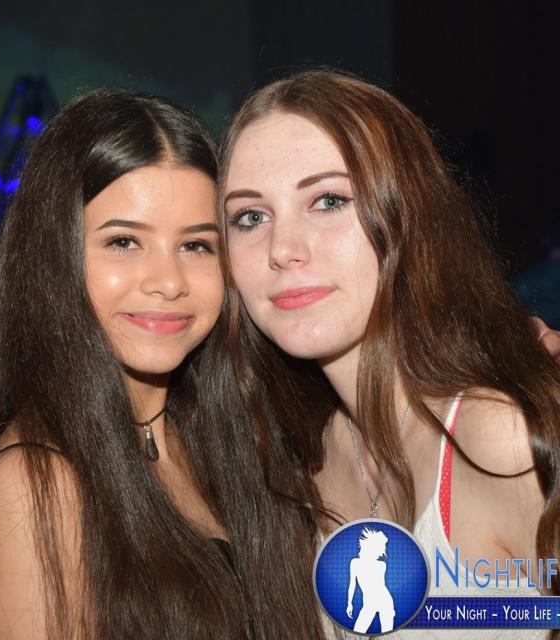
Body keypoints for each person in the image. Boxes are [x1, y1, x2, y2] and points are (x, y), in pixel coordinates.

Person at [0, 91, 328, 639]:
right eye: (125, 241)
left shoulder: (229, 438)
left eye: (196, 246)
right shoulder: (34, 485)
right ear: (54, 257)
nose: (168, 281)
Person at [220, 70, 560, 639]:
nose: (282, 249)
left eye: (328, 200)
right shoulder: (297, 461)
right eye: (250, 217)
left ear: (407, 214)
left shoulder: (500, 441)